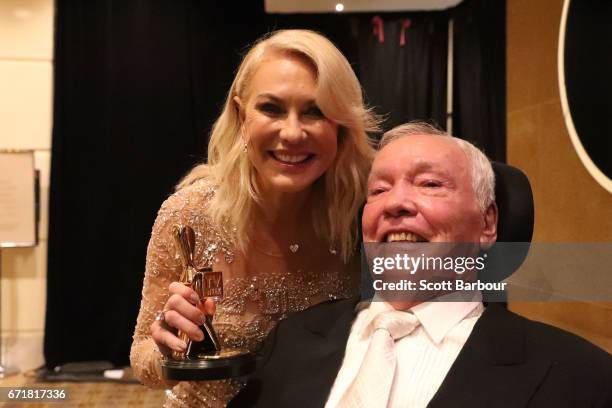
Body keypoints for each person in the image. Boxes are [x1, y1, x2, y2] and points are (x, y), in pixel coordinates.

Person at [230, 122, 612, 407]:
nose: (395, 203)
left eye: (429, 184)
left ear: (488, 222)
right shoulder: (289, 342)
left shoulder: (578, 377)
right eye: (379, 190)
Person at [130, 29, 378, 407]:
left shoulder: (365, 215)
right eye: (272, 109)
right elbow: (142, 357)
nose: (292, 133)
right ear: (241, 113)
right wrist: (169, 347)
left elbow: (482, 275)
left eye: (315, 111)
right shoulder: (189, 213)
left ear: (342, 125)